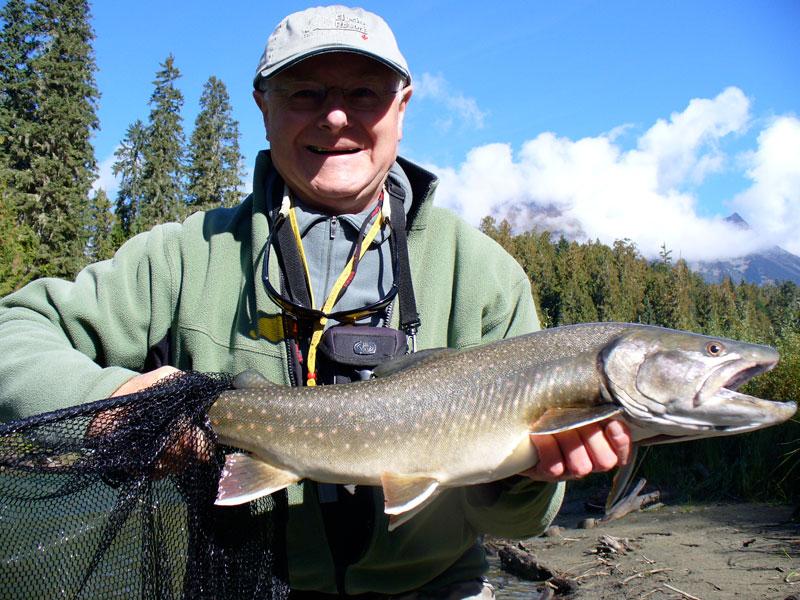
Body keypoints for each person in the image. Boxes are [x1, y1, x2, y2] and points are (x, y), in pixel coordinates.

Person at [0, 6, 631, 597]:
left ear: (402, 106)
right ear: (264, 106)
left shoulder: (483, 275)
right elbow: (13, 329)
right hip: (239, 583)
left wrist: (527, 475)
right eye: (306, 93)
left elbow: (524, 522)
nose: (336, 117)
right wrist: (113, 400)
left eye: (363, 94)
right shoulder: (185, 255)